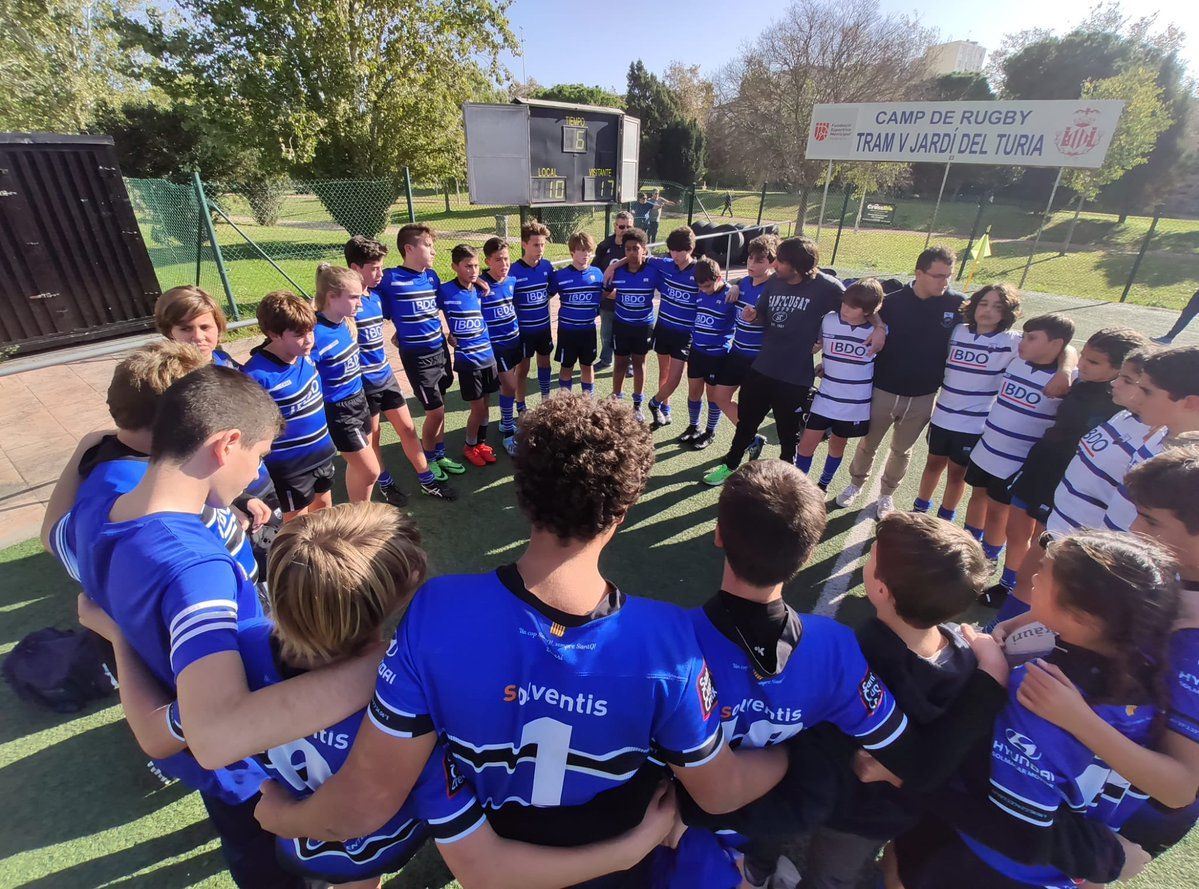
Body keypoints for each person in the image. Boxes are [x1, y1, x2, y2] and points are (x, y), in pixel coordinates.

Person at [254, 395, 792, 884]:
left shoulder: (436, 611)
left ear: (524, 497)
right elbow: (719, 791)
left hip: (492, 847)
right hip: (613, 861)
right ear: (623, 510)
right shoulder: (668, 640)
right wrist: (797, 756)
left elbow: (370, 795)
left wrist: (282, 815)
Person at [79, 501, 681, 889]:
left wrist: (119, 638)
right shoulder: (409, 714)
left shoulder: (234, 666)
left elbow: (158, 731)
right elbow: (485, 867)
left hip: (307, 845)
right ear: (388, 611)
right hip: (374, 845)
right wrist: (631, 848)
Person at [65, 366, 384, 887]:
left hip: (202, 764)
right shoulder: (197, 569)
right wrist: (381, 665)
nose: (256, 474)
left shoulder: (99, 502)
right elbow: (217, 734)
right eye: (257, 457)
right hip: (252, 768)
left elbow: (159, 731)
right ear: (225, 444)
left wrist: (118, 634)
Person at [674, 463, 1008, 887]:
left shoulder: (665, 636)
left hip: (677, 822)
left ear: (718, 534)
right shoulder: (837, 650)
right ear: (809, 552)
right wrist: (990, 679)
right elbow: (920, 765)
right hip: (773, 816)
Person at [895, 531, 1179, 889]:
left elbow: (1018, 833)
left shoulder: (1038, 696)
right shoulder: (1150, 670)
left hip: (980, 861)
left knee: (901, 872)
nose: (1033, 576)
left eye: (1044, 572)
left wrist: (906, 778)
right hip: (1051, 873)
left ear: (1082, 617)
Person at [1011, 445, 1199, 866]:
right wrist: (1016, 628)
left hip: (1109, 818)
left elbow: (1180, 787)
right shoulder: (1168, 569)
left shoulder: (1193, 643)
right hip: (1059, 769)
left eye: (1150, 520)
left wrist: (1079, 719)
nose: (1133, 527)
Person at [804, 511, 991, 889]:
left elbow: (823, 731)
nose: (868, 561)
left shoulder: (860, 656)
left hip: (851, 810)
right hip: (906, 810)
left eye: (872, 557)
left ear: (882, 589)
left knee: (828, 874)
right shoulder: (967, 654)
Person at [42, 342, 260, 591]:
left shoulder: (163, 463)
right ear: (188, 423)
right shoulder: (132, 495)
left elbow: (52, 532)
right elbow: (56, 541)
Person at [982, 327, 1147, 607]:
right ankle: (1007, 583)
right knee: (1017, 528)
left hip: (1067, 477)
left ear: (1119, 371)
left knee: (1046, 541)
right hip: (1041, 463)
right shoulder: (1078, 379)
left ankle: (1032, 597)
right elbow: (1067, 350)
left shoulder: (1121, 408)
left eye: (1093, 362)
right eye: (1084, 357)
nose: (1083, 364)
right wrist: (1066, 368)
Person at [702, 236, 884, 487]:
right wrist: (754, 316)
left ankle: (787, 484)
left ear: (798, 266)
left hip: (795, 377)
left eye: (781, 261)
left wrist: (880, 328)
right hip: (762, 368)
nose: (775, 265)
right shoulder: (775, 281)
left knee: (789, 436)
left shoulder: (826, 286)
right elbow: (763, 315)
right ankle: (731, 464)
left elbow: (862, 303)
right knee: (746, 424)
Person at [962, 313, 1075, 580]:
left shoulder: (1067, 382)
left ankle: (989, 560)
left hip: (1015, 462)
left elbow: (1070, 349)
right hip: (987, 449)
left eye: (1032, 338)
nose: (1023, 342)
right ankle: (966, 548)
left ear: (1055, 344)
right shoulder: (1017, 361)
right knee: (977, 497)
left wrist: (1066, 369)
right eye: (1024, 336)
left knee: (999, 513)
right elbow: (1067, 349)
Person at [344, 236, 454, 504]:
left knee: (407, 429)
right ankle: (385, 483)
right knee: (375, 438)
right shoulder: (345, 304)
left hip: (386, 376)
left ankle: (427, 481)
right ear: (356, 268)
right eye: (374, 268)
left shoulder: (375, 296)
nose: (380, 273)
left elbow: (401, 313)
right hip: (362, 385)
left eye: (381, 267)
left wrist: (400, 334)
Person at [912, 284, 1023, 522]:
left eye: (997, 306)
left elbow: (1065, 349)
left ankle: (944, 518)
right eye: (983, 304)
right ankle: (919, 509)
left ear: (1006, 312)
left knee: (957, 474)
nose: (988, 311)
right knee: (932, 465)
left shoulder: (1011, 341)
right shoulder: (958, 332)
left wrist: (1065, 370)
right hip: (942, 416)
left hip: (974, 424)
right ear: (973, 306)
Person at [376, 223, 466, 482]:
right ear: (409, 248)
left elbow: (441, 303)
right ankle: (427, 455)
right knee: (434, 411)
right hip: (417, 358)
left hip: (439, 349)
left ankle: (439, 454)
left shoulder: (432, 277)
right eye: (428, 245)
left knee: (441, 404)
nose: (433, 251)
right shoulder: (391, 279)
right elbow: (366, 292)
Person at [241, 291, 339, 520]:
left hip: (322, 455)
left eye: (310, 332)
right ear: (274, 334)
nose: (309, 339)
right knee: (297, 526)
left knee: (326, 514)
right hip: (290, 468)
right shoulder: (256, 376)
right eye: (299, 334)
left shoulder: (304, 353)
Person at [796, 279, 886, 491]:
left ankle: (823, 486)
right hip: (826, 395)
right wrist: (818, 354)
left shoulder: (878, 331)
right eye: (845, 303)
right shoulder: (828, 320)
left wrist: (880, 327)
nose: (846, 308)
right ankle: (799, 489)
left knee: (838, 445)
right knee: (807, 443)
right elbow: (816, 346)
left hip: (854, 403)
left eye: (854, 307)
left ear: (868, 311)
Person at [1102, 346, 1199, 532]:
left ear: (1190, 402)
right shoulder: (1161, 431)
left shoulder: (1191, 468)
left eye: (1146, 391)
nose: (1134, 397)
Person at [311, 264, 381, 504]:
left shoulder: (344, 322)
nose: (360, 303)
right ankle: (359, 517)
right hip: (339, 411)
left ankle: (359, 511)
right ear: (331, 297)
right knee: (371, 471)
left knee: (361, 468)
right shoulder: (315, 334)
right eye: (353, 297)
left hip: (360, 400)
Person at [436, 245, 499, 468]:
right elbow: (426, 312)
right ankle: (469, 446)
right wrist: (447, 335)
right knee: (478, 408)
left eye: (475, 266)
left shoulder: (481, 288)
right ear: (455, 267)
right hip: (467, 360)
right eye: (467, 266)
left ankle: (480, 443)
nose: (473, 270)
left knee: (487, 404)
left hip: (488, 356)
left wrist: (481, 281)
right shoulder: (444, 291)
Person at [709, 234, 776, 431]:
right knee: (719, 397)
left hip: (758, 359)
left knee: (749, 407)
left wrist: (756, 318)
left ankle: (745, 439)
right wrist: (736, 284)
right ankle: (750, 436)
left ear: (772, 263)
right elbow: (735, 282)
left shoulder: (775, 288)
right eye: (750, 258)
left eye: (759, 260)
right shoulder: (744, 283)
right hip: (736, 353)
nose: (752, 263)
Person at [678, 257, 739, 450]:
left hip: (717, 355)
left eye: (708, 285)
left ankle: (710, 431)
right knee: (694, 391)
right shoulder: (699, 291)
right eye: (701, 286)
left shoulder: (731, 294)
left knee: (712, 396)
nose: (704, 290)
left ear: (719, 277)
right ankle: (693, 426)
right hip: (697, 351)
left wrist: (736, 286)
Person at [605, 227, 658, 416]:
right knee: (619, 364)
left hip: (643, 327)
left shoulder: (653, 270)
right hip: (621, 325)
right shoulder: (617, 271)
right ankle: (616, 401)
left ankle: (637, 406)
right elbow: (605, 291)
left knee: (638, 364)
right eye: (628, 249)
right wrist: (610, 269)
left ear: (644, 248)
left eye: (636, 248)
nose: (632, 252)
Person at [480, 236, 524, 456]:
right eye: (498, 260)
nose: (504, 264)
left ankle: (504, 421)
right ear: (488, 261)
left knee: (509, 385)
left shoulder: (511, 281)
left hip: (514, 341)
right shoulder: (479, 286)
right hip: (496, 346)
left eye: (506, 259)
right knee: (510, 386)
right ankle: (508, 433)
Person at [549, 231, 604, 395]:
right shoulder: (560, 276)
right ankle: (564, 402)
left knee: (587, 365)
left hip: (588, 330)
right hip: (567, 331)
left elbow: (606, 294)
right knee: (567, 366)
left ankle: (588, 401)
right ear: (572, 251)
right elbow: (546, 296)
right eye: (581, 250)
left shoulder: (597, 274)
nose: (586, 254)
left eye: (588, 250)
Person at [511, 221, 556, 405]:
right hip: (523, 331)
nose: (540, 249)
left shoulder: (546, 266)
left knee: (545, 364)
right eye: (536, 245)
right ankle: (520, 405)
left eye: (543, 244)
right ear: (524, 244)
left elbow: (551, 290)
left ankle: (546, 400)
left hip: (544, 328)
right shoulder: (513, 271)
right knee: (522, 370)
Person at [154, 284, 239, 368]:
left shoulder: (223, 359)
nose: (198, 337)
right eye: (186, 329)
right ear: (169, 332)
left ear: (218, 326)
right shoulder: (168, 377)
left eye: (205, 327)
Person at [592, 210, 634, 371]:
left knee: (627, 333)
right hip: (608, 298)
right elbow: (596, 269)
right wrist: (604, 290)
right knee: (606, 332)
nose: (624, 230)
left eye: (628, 226)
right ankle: (605, 359)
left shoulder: (635, 245)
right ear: (615, 226)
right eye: (621, 226)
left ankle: (629, 364)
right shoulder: (605, 246)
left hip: (628, 301)